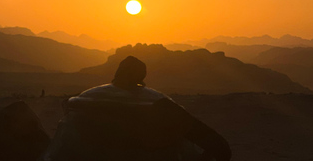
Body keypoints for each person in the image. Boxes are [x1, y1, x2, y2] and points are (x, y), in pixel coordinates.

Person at [43, 56, 231, 161]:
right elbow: (219, 147)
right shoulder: (160, 106)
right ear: (142, 77)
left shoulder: (85, 103)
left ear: (116, 75)